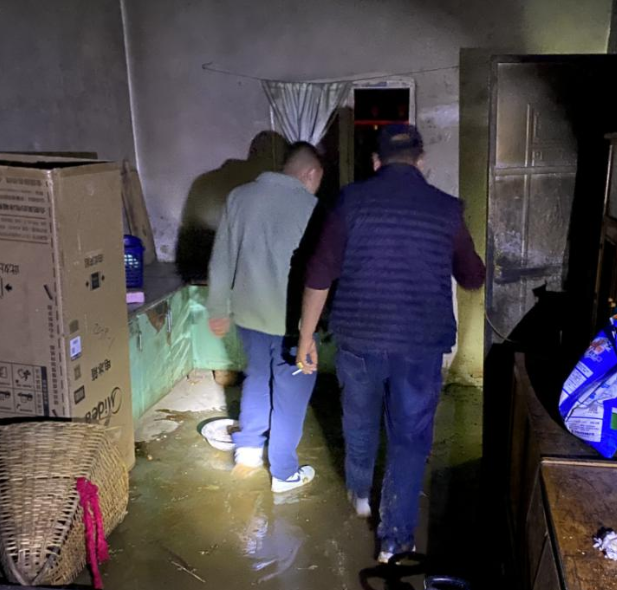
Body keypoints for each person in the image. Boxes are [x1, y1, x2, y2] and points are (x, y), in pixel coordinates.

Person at [297, 124, 485, 562]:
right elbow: (472, 276)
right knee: (410, 438)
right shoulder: (446, 209)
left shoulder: (350, 202)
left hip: (358, 337)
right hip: (419, 345)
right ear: (421, 161)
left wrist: (306, 335)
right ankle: (395, 538)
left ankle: (360, 492)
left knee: (359, 419)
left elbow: (319, 273)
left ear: (376, 162)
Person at [207, 141, 324, 493]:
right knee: (291, 395)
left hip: (249, 316)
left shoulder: (239, 197)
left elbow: (222, 258)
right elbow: (321, 273)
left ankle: (247, 453)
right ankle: (284, 472)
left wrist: (217, 308)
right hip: (294, 324)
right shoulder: (313, 207)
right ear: (311, 174)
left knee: (257, 378)